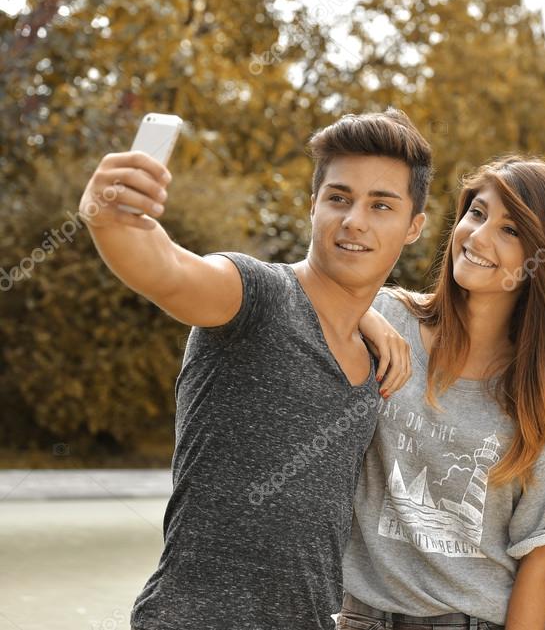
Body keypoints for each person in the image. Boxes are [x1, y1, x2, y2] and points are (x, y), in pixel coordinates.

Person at [79, 109, 432, 629]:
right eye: (339, 198)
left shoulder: (376, 353)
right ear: (312, 206)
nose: (354, 219)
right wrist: (110, 219)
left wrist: (370, 318)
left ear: (413, 228)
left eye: (381, 205)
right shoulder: (256, 295)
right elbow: (170, 272)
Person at [338, 156, 545, 630]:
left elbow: (540, 562)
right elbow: (297, 292)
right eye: (476, 214)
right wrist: (358, 311)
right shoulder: (385, 320)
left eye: (511, 231)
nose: (478, 237)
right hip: (360, 617)